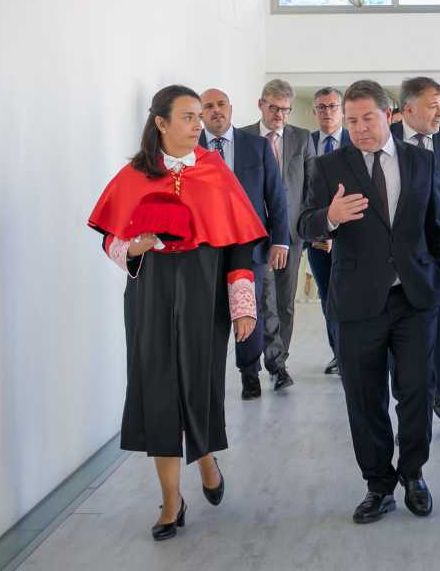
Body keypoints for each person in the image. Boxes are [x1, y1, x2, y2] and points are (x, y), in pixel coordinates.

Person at [87, 85, 266, 541]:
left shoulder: (215, 171)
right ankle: (171, 501)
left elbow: (239, 245)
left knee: (200, 385)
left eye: (198, 117)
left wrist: (243, 307)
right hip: (150, 296)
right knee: (157, 392)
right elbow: (110, 239)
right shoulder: (133, 175)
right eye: (187, 117)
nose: (197, 125)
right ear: (161, 124)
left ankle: (205, 459)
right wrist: (137, 244)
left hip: (205, 296)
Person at [298, 80, 440, 525]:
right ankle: (378, 485)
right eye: (351, 121)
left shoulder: (422, 161)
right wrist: (329, 217)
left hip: (414, 299)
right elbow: (305, 224)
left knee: (417, 392)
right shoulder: (328, 167)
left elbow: (439, 228)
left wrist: (439, 282)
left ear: (390, 116)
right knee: (364, 399)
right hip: (357, 303)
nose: (359, 128)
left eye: (367, 118)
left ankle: (414, 475)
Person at [198, 88, 289, 400]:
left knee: (251, 310)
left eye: (220, 104)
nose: (216, 111)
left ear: (231, 108)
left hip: (250, 245)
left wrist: (281, 241)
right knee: (209, 313)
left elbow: (275, 197)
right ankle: (206, 376)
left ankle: (249, 373)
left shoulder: (256, 146)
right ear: (200, 114)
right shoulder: (190, 150)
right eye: (208, 106)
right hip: (205, 249)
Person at [391, 76, 440, 421]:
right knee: (402, 341)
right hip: (400, 264)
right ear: (407, 108)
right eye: (432, 105)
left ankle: (439, 385)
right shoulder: (385, 142)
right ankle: (411, 401)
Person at [241, 78, 313, 391]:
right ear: (260, 105)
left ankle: (279, 360)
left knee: (284, 301)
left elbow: (311, 187)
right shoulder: (243, 138)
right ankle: (263, 365)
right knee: (259, 300)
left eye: (285, 109)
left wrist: (310, 229)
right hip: (253, 234)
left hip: (292, 234)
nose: (279, 115)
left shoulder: (302, 138)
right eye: (274, 108)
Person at [304, 85, 350, 375]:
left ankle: (354, 351)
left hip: (352, 237)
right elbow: (301, 192)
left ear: (342, 110)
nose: (327, 112)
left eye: (332, 106)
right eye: (321, 107)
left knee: (352, 295)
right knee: (327, 296)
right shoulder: (305, 144)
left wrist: (338, 232)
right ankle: (339, 354)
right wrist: (319, 232)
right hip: (317, 238)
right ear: (314, 111)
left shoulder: (355, 140)